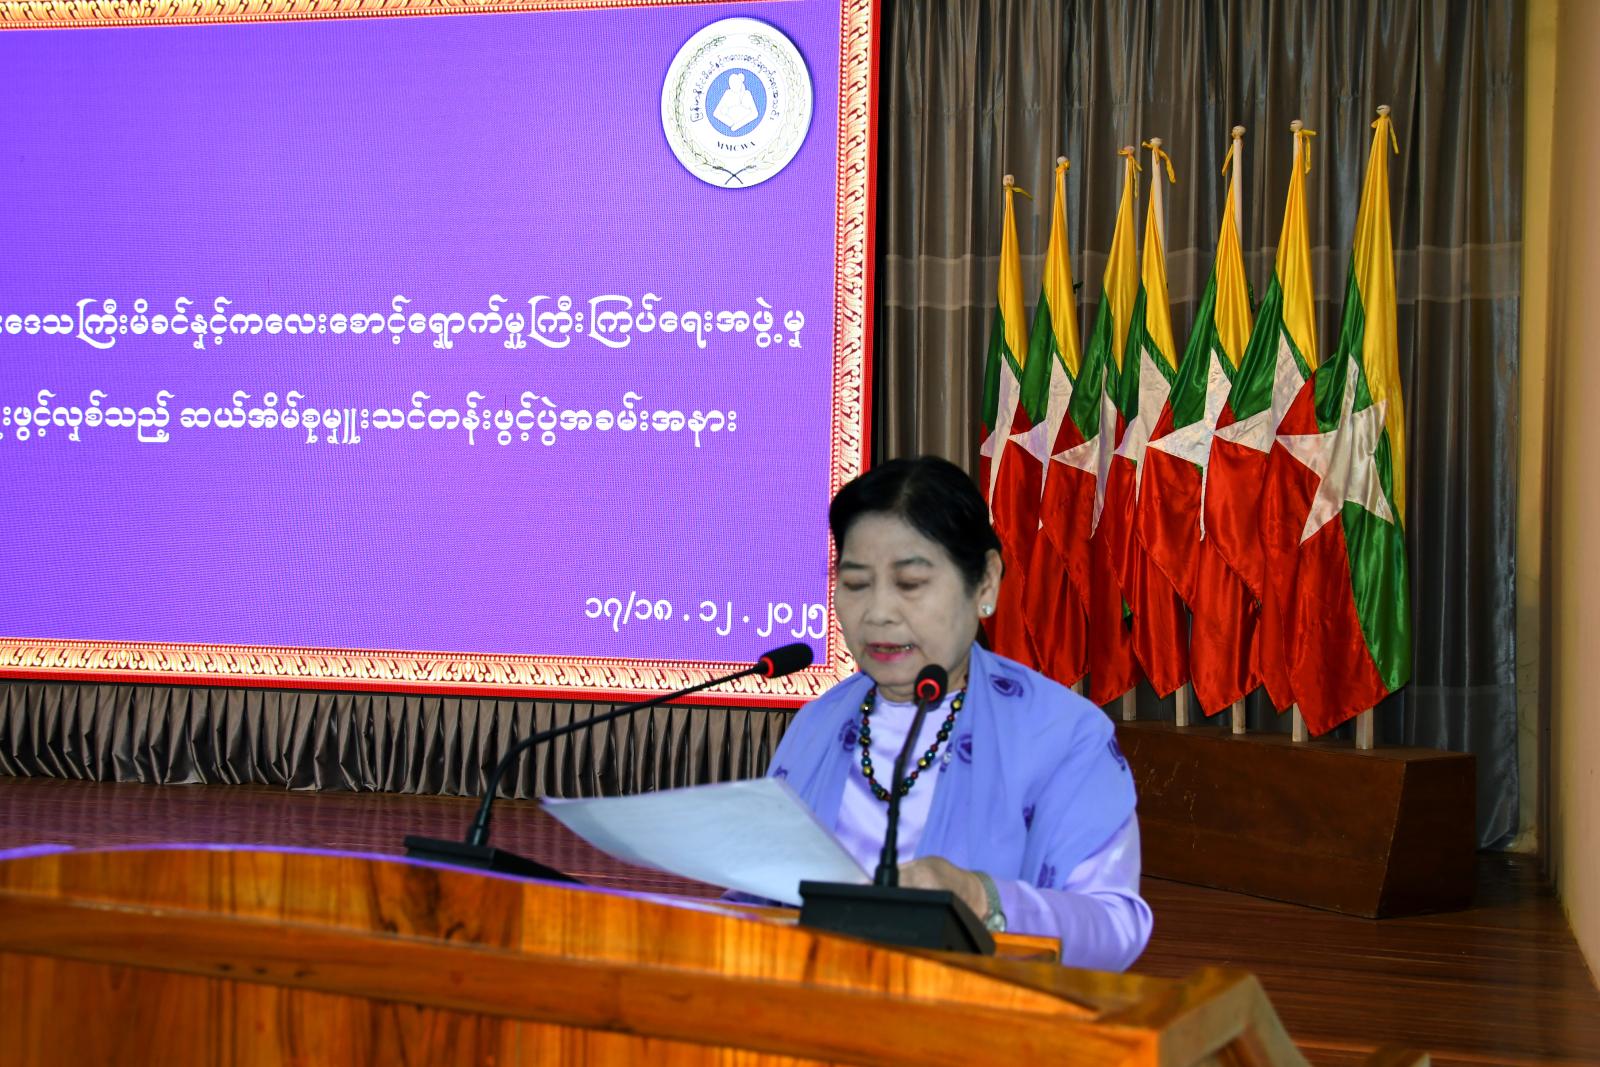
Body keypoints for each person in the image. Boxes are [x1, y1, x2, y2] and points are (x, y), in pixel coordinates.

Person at [767, 455, 1151, 971]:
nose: (878, 613)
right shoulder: (819, 724)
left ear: (985, 583)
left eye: (910, 583)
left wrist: (979, 897)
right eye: (856, 584)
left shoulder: (1062, 734)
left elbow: (1116, 927)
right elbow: (756, 898)